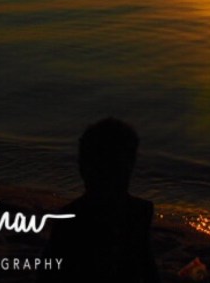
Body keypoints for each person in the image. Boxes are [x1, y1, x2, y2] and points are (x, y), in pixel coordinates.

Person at [42, 118, 161, 282]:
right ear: (128, 167)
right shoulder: (140, 212)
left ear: (84, 168)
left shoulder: (68, 217)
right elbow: (147, 269)